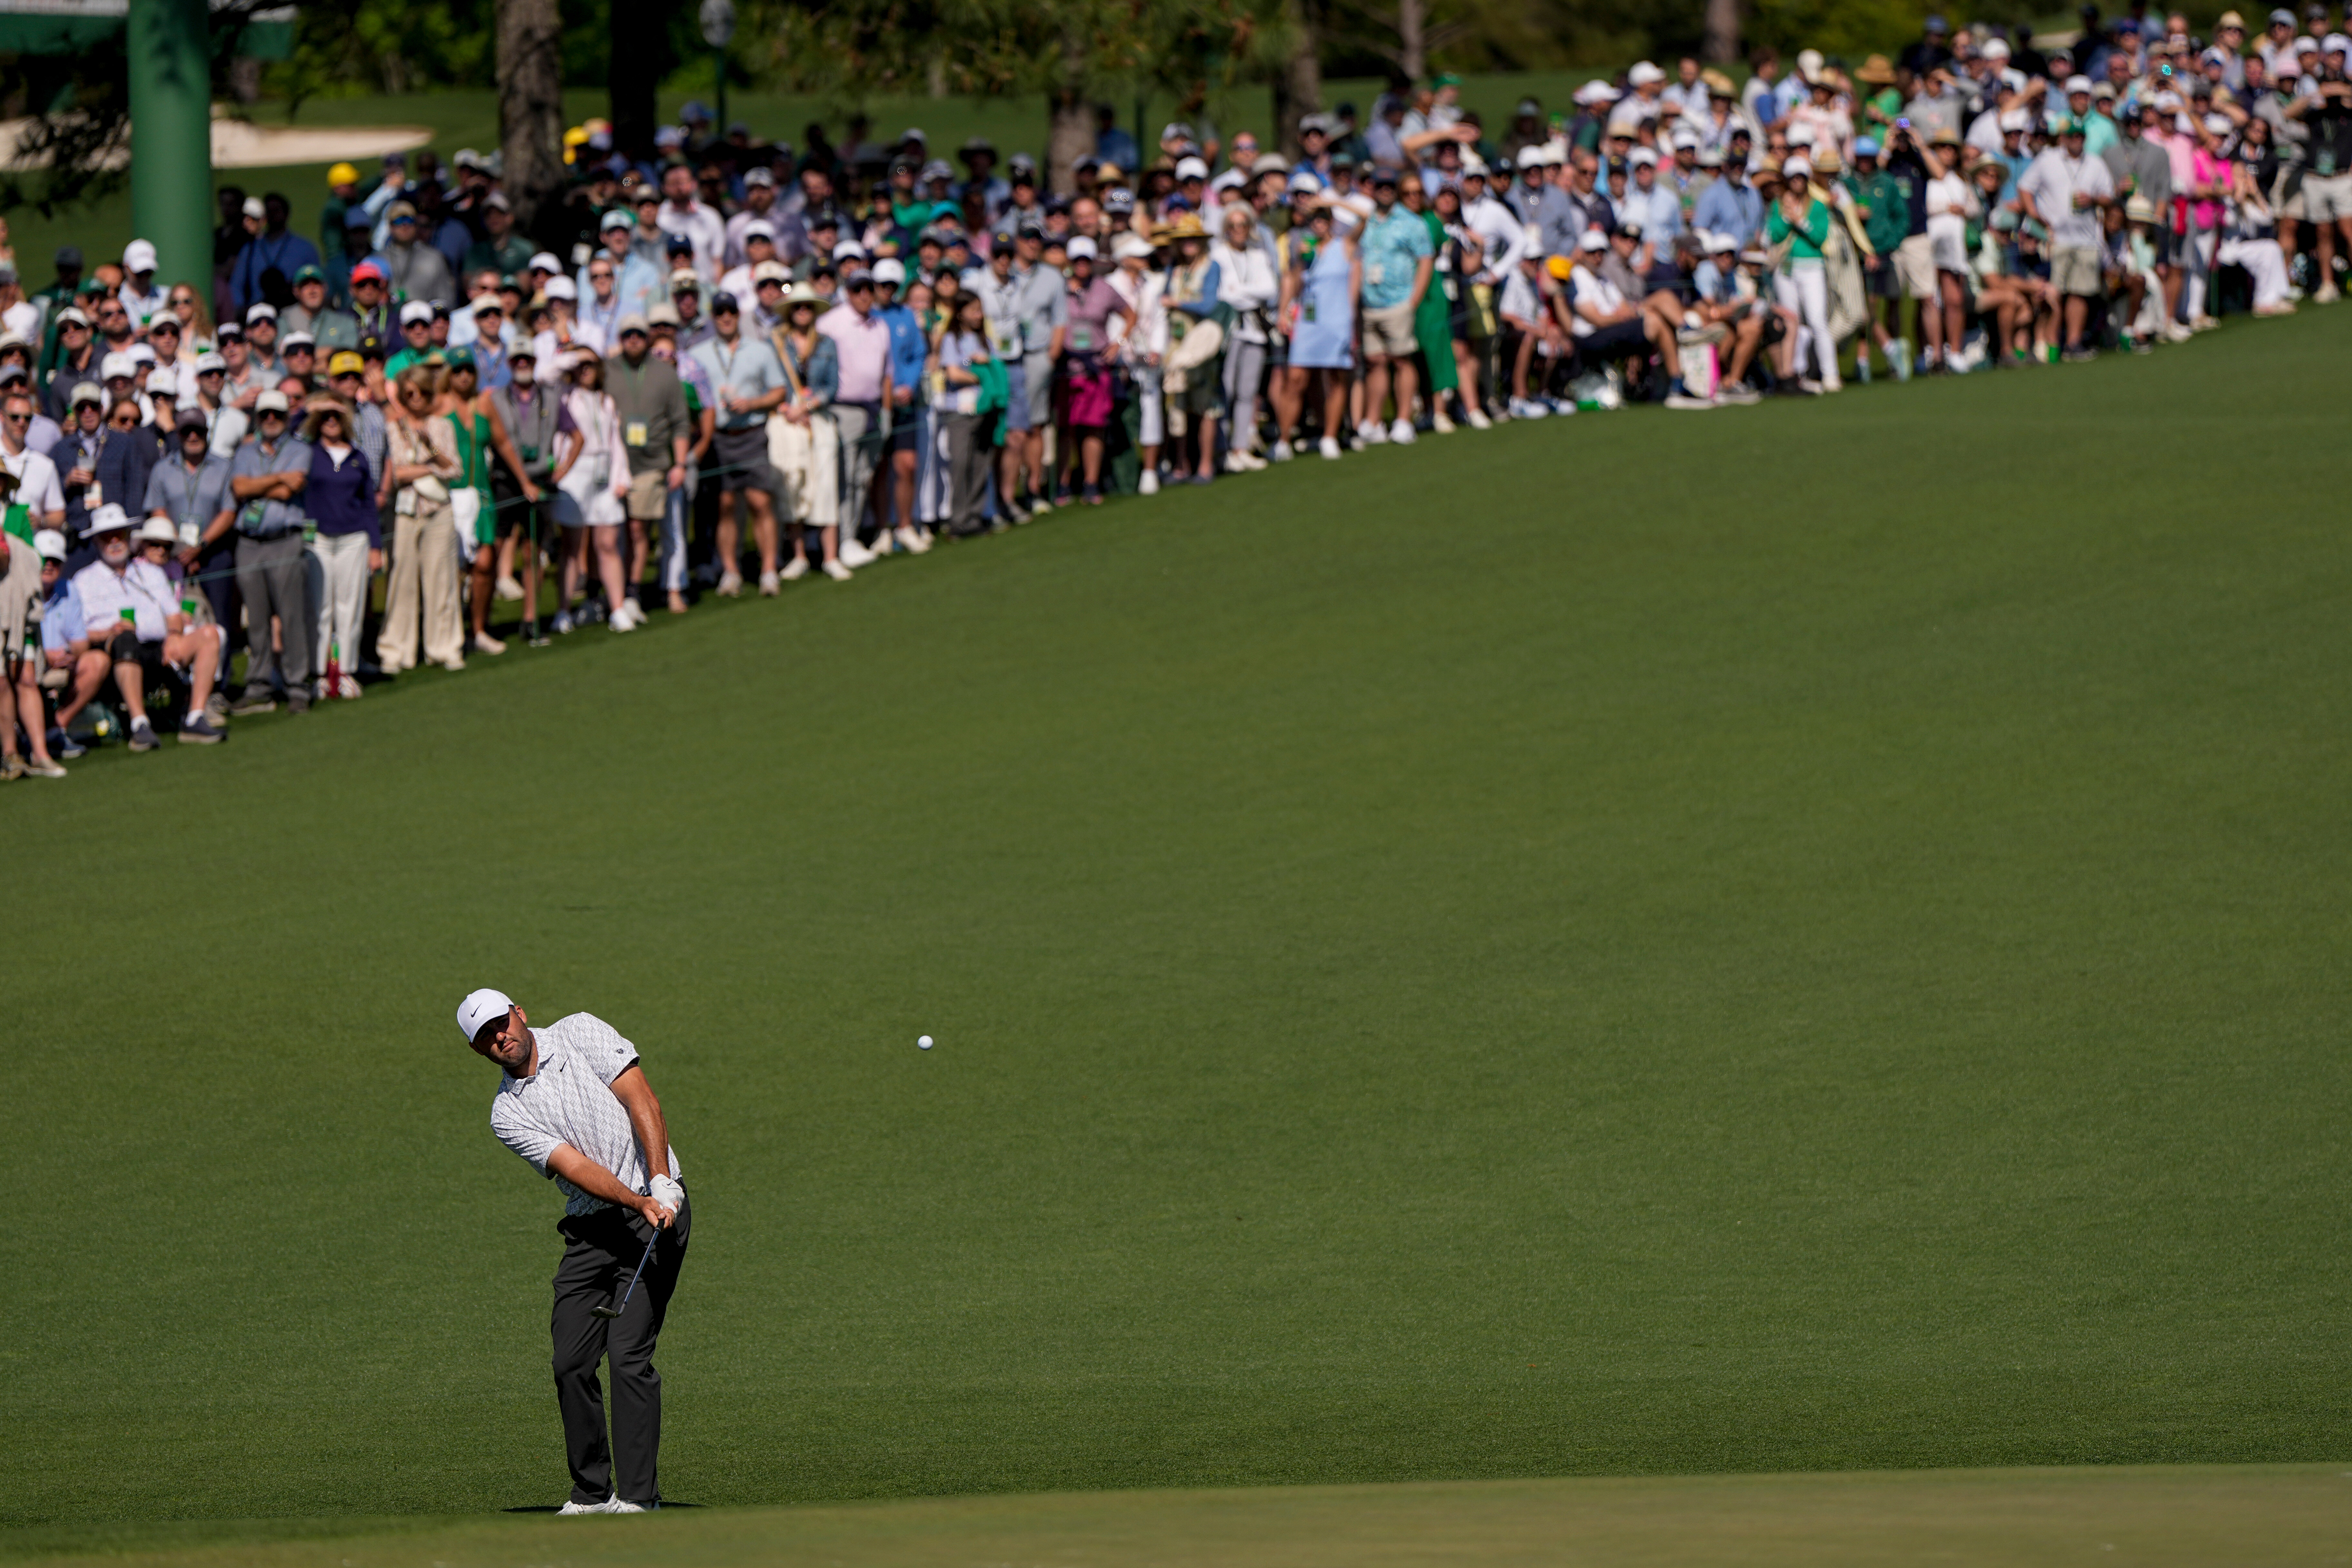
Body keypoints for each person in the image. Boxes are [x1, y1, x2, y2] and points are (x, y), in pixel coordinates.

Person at [456, 990, 688, 1517]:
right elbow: (577, 1166)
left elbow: (641, 1100)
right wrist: (635, 1197)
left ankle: (637, 1495)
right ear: (479, 1050)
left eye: (501, 1022)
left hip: (658, 1208)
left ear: (520, 1012)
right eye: (485, 1036)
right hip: (592, 1228)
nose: (500, 1036)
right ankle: (591, 1494)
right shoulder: (507, 1113)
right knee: (570, 1360)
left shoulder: (581, 1030)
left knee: (629, 1355)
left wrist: (659, 1181)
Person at [68, 504, 223, 748]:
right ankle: (140, 724)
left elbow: (174, 614)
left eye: (120, 534)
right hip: (116, 651)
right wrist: (108, 632)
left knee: (210, 634)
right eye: (107, 536)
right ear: (97, 541)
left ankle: (195, 717)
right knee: (126, 640)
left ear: (129, 537)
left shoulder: (150, 573)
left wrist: (174, 635)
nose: (115, 541)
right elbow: (78, 633)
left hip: (159, 649)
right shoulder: (84, 580)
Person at [687, 292, 790, 594]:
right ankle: (731, 571)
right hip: (718, 438)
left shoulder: (760, 350)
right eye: (720, 312)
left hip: (752, 432)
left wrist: (752, 404)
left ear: (738, 314)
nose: (726, 317)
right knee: (726, 505)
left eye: (731, 311)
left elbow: (779, 392)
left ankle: (769, 569)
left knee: (761, 501)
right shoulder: (699, 352)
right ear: (713, 316)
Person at [224, 388, 315, 711]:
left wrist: (258, 486)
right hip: (250, 542)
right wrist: (276, 482)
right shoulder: (246, 453)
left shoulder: (299, 449)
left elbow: (297, 483)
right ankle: (259, 684)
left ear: (287, 417)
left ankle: (297, 685)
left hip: (285, 539)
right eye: (266, 414)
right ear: (258, 418)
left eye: (277, 414)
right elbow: (239, 488)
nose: (272, 419)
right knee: (258, 620)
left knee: (291, 617)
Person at [602, 316, 691, 622]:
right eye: (627, 335)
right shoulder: (609, 370)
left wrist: (680, 463)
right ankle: (608, 593)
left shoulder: (665, 374)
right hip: (613, 466)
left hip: (651, 465)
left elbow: (681, 422)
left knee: (639, 529)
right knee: (612, 534)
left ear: (647, 337)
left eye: (639, 334)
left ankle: (633, 592)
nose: (633, 339)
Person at [377, 364, 465, 672]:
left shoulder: (442, 426)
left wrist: (430, 451)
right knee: (402, 580)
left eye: (424, 393)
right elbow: (397, 473)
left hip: (439, 508)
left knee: (442, 578)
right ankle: (396, 651)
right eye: (410, 393)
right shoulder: (392, 428)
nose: (417, 398)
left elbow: (456, 469)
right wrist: (431, 467)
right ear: (402, 395)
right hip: (405, 510)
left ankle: (445, 647)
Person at [296, 396, 376, 697]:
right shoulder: (308, 452)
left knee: (350, 607)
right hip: (317, 539)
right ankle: (319, 673)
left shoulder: (358, 456)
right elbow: (292, 431)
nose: (331, 420)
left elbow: (369, 503)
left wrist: (377, 546)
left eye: (336, 416)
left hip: (354, 539)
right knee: (320, 608)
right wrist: (312, 407)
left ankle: (346, 672)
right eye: (326, 416)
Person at [552, 346, 635, 630]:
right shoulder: (565, 397)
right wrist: (574, 357)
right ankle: (563, 611)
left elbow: (615, 442)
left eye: (591, 364)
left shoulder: (606, 401)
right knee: (572, 547)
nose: (586, 369)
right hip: (576, 472)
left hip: (604, 471)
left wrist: (622, 476)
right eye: (581, 364)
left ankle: (618, 609)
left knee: (607, 543)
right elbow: (547, 374)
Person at [768, 284, 845, 578]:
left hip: (819, 419)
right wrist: (789, 410)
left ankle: (830, 556)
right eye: (797, 307)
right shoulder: (777, 342)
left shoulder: (827, 344)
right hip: (787, 420)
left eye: (807, 307)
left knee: (826, 485)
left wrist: (809, 406)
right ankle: (798, 555)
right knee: (793, 483)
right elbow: (773, 383)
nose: (802, 312)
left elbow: (832, 387)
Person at [1273, 198, 1359, 460]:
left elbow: (1365, 217)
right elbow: (1293, 280)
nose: (1319, 225)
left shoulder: (1345, 245)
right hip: (1309, 322)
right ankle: (1284, 440)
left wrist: (1330, 200)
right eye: (1315, 220)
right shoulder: (1305, 249)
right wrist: (1283, 311)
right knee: (1296, 379)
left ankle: (1330, 437)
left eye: (1324, 219)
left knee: (1336, 378)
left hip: (1337, 321)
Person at [1767, 155, 1842, 390]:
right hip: (1786, 270)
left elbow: (1820, 237)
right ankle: (1797, 373)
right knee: (1793, 322)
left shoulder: (1818, 206)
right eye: (1793, 178)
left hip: (1812, 268)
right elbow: (1776, 235)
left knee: (1818, 321)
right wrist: (1788, 217)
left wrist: (1800, 221)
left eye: (1801, 177)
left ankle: (1830, 374)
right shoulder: (1779, 206)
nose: (1797, 182)